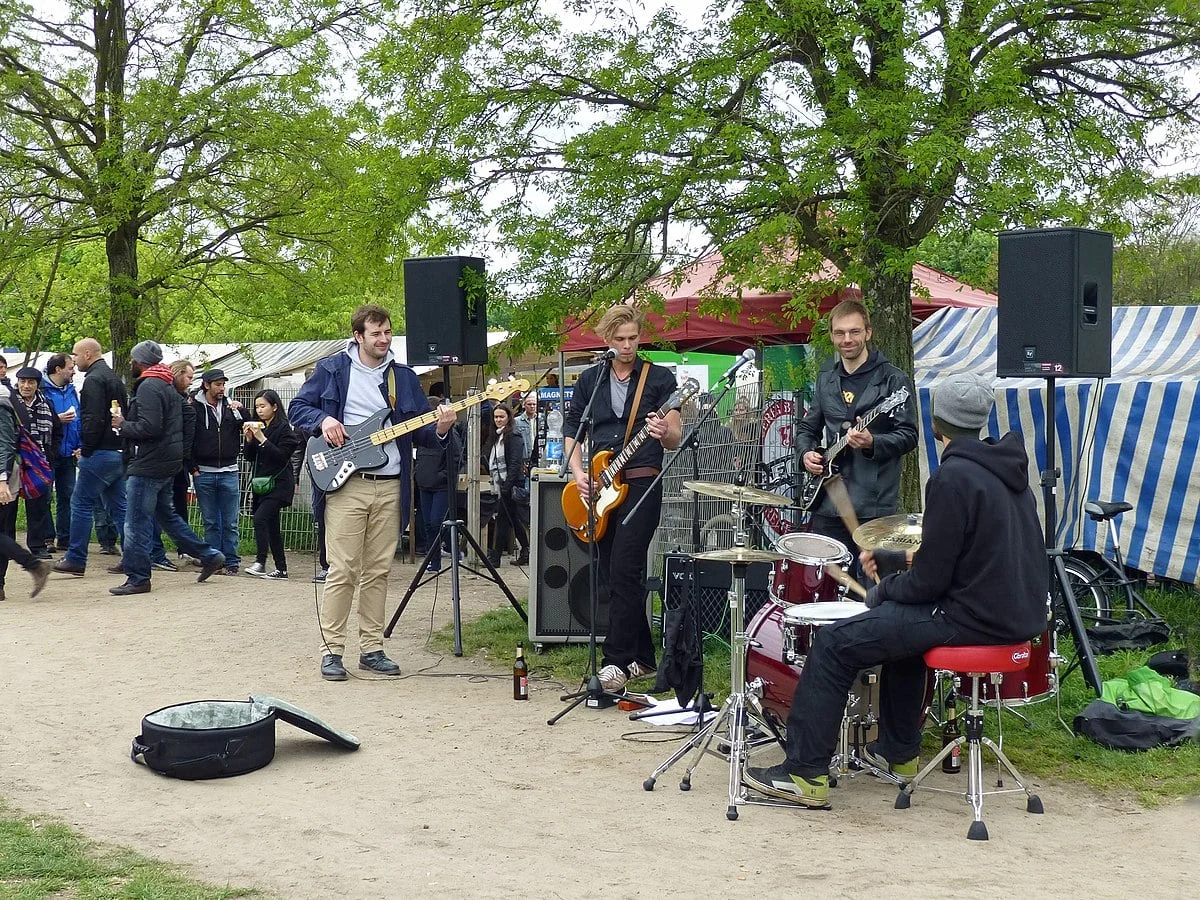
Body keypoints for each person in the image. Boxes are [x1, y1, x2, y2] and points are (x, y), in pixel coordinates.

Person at [746, 374, 1049, 808]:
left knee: (834, 643)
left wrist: (883, 591)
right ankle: (898, 754)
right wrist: (892, 569)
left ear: (935, 423)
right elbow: (962, 558)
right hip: (1014, 616)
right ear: (981, 422)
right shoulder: (1009, 473)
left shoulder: (951, 478)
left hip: (968, 619)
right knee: (901, 637)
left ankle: (804, 773)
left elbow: (928, 583)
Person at [289, 304, 458, 681]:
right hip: (346, 483)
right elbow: (297, 409)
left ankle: (372, 648)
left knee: (379, 570)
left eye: (388, 333)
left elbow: (420, 431)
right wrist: (324, 419)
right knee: (343, 569)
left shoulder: (404, 378)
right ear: (358, 336)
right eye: (376, 333)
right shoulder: (332, 369)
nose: (383, 340)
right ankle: (332, 651)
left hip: (391, 485)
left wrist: (443, 428)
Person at [565, 304, 682, 694]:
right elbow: (573, 428)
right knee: (612, 574)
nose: (628, 346)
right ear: (606, 340)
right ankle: (644, 658)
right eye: (620, 340)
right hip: (601, 485)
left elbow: (674, 438)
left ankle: (614, 663)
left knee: (625, 567)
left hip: (643, 481)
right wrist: (581, 475)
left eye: (633, 338)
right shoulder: (591, 379)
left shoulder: (659, 379)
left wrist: (663, 429)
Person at [795, 299, 917, 558]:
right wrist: (806, 454)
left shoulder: (893, 380)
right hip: (828, 504)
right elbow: (807, 428)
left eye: (854, 332)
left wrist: (872, 442)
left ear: (868, 332)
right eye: (839, 333)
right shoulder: (826, 379)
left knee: (871, 589)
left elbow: (909, 436)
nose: (847, 339)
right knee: (828, 587)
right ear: (831, 336)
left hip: (872, 508)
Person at [108, 341, 226, 595]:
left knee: (136, 522)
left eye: (132, 359)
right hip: (166, 462)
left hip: (148, 463)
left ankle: (138, 577)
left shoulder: (149, 386)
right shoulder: (167, 386)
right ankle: (209, 555)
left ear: (140, 361)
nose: (131, 363)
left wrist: (123, 424)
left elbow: (150, 427)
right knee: (167, 517)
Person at [54, 338, 127, 576]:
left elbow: (93, 419)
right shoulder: (115, 378)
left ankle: (76, 558)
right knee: (120, 508)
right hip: (117, 450)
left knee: (81, 503)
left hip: (99, 452)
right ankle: (135, 555)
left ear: (87, 354)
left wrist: (86, 448)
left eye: (75, 355)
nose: (73, 360)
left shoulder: (94, 380)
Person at [0, 383, 51, 602]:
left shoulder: (1, 405)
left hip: (3, 477)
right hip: (4, 475)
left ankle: (35, 565)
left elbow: (5, 445)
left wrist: (1, 480)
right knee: (2, 532)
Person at [191, 368, 244, 575]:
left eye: (223, 384)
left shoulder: (232, 407)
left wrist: (241, 410)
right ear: (206, 385)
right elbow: (190, 437)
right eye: (217, 384)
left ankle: (231, 561)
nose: (222, 388)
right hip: (203, 472)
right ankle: (214, 560)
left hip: (229, 470)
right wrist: (192, 466)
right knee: (211, 521)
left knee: (230, 521)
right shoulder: (194, 407)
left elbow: (246, 425)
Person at [242, 389, 299, 579]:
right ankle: (281, 569)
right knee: (272, 526)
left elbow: (282, 456)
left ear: (274, 407)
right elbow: (250, 458)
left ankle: (260, 561)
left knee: (260, 518)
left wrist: (262, 439)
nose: (259, 410)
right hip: (261, 484)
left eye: (263, 406)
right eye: (257, 406)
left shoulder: (284, 429)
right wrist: (249, 440)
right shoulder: (259, 427)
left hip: (279, 484)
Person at [149, 359, 196, 572]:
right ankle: (164, 550)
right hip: (169, 462)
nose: (190, 382)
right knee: (163, 510)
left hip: (172, 463)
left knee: (170, 509)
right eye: (188, 377)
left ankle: (185, 549)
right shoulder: (174, 401)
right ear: (176, 374)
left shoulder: (183, 401)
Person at [13, 366, 61, 558]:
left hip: (39, 462)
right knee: (8, 506)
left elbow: (57, 430)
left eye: (31, 382)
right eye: (22, 382)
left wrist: (51, 455)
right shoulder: (9, 401)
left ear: (37, 384)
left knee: (40, 505)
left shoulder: (46, 403)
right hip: (15, 460)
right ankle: (8, 547)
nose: (26, 386)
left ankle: (37, 545)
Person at [414, 395, 463, 573]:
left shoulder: (450, 433)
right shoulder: (422, 435)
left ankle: (452, 550)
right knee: (427, 523)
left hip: (441, 486)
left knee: (437, 522)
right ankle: (433, 561)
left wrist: (442, 476)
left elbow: (457, 458)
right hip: (424, 484)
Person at [42, 353, 82, 552]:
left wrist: (80, 444)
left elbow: (80, 419)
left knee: (67, 496)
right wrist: (57, 419)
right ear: (58, 369)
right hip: (48, 453)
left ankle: (65, 539)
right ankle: (47, 538)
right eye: (70, 367)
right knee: (45, 496)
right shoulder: (41, 390)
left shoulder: (72, 391)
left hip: (69, 453)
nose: (73, 371)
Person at [484, 403, 529, 567]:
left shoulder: (513, 436)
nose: (498, 420)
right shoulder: (497, 436)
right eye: (496, 417)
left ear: (508, 417)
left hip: (511, 483)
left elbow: (516, 462)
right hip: (502, 482)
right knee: (513, 519)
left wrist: (507, 485)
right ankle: (526, 550)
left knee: (504, 519)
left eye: (501, 417)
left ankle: (495, 558)